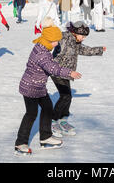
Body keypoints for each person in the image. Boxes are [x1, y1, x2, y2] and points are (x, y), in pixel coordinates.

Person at [15, 25, 82, 155]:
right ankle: (20, 144)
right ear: (49, 40)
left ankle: (45, 137)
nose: (57, 43)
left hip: (39, 87)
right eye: (55, 41)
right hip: (30, 87)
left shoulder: (43, 48)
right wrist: (69, 73)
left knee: (47, 108)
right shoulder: (41, 53)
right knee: (31, 114)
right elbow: (52, 68)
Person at [51, 21, 105, 137]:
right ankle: (53, 120)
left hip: (67, 73)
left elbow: (85, 50)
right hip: (56, 71)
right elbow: (53, 39)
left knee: (68, 97)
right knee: (65, 96)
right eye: (83, 36)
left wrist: (99, 49)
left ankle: (62, 120)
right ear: (75, 32)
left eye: (85, 36)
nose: (84, 38)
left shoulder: (77, 42)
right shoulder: (64, 37)